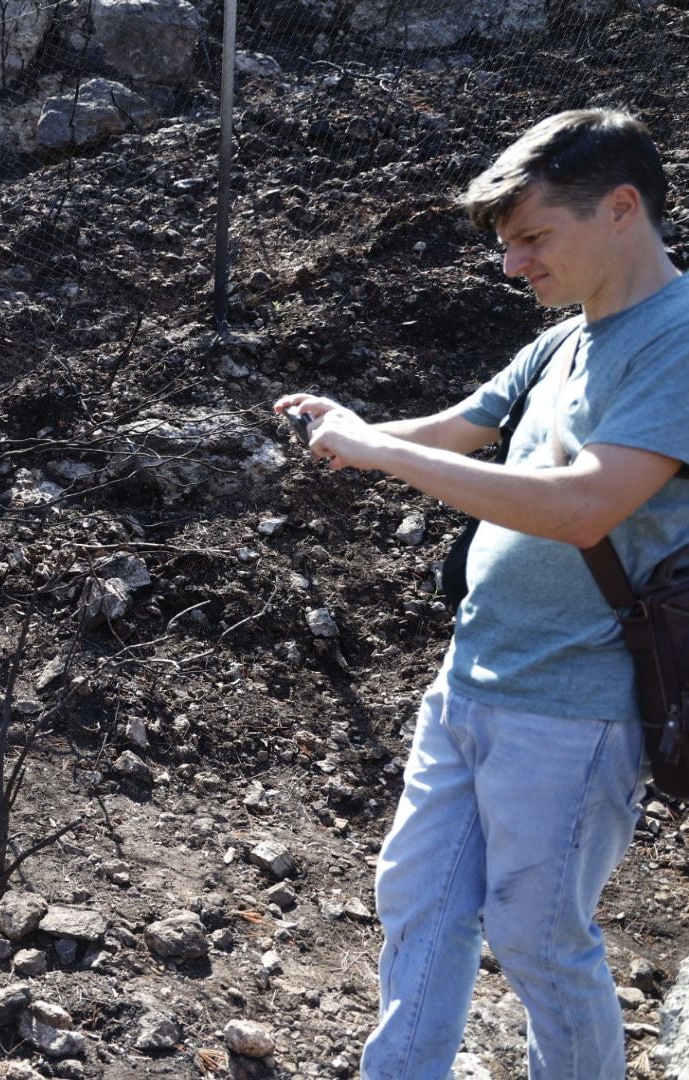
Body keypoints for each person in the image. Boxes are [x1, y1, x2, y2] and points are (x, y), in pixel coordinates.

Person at [274, 108, 689, 1079]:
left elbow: (590, 505)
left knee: (539, 943)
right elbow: (467, 423)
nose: (514, 268)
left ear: (621, 208)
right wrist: (357, 427)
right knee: (419, 909)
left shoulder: (679, 340)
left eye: (534, 238)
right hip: (467, 685)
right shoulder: (562, 344)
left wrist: (380, 455)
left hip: (575, 710)